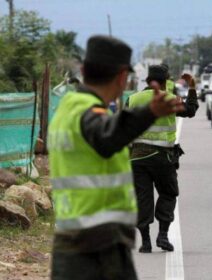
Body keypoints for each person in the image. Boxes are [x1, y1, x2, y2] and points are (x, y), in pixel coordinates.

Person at [48, 35, 184, 280]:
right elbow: (107, 136)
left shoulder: (67, 108)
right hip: (97, 246)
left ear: (84, 70)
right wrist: (149, 112)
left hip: (71, 241)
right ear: (123, 77)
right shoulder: (88, 112)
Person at [127, 65, 198, 253]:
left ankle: (145, 242)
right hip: (162, 157)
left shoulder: (133, 99)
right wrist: (192, 87)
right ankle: (163, 236)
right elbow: (190, 110)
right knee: (168, 193)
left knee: (143, 198)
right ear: (166, 80)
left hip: (137, 159)